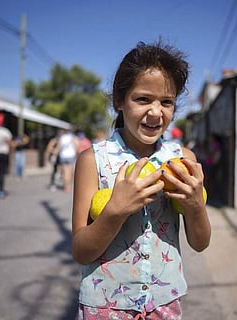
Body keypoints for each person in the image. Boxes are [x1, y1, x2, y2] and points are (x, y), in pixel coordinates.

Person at [72, 41, 211, 319]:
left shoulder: (182, 159)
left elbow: (200, 243)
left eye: (167, 102)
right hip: (105, 307)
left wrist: (196, 205)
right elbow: (81, 250)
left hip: (164, 305)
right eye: (143, 99)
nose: (156, 112)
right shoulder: (93, 160)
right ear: (119, 101)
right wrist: (116, 210)